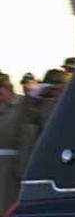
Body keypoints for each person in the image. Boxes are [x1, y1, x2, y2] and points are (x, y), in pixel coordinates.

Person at [0, 75, 36, 210]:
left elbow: (27, 140)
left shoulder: (24, 106)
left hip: (11, 169)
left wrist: (24, 173)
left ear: (8, 88)